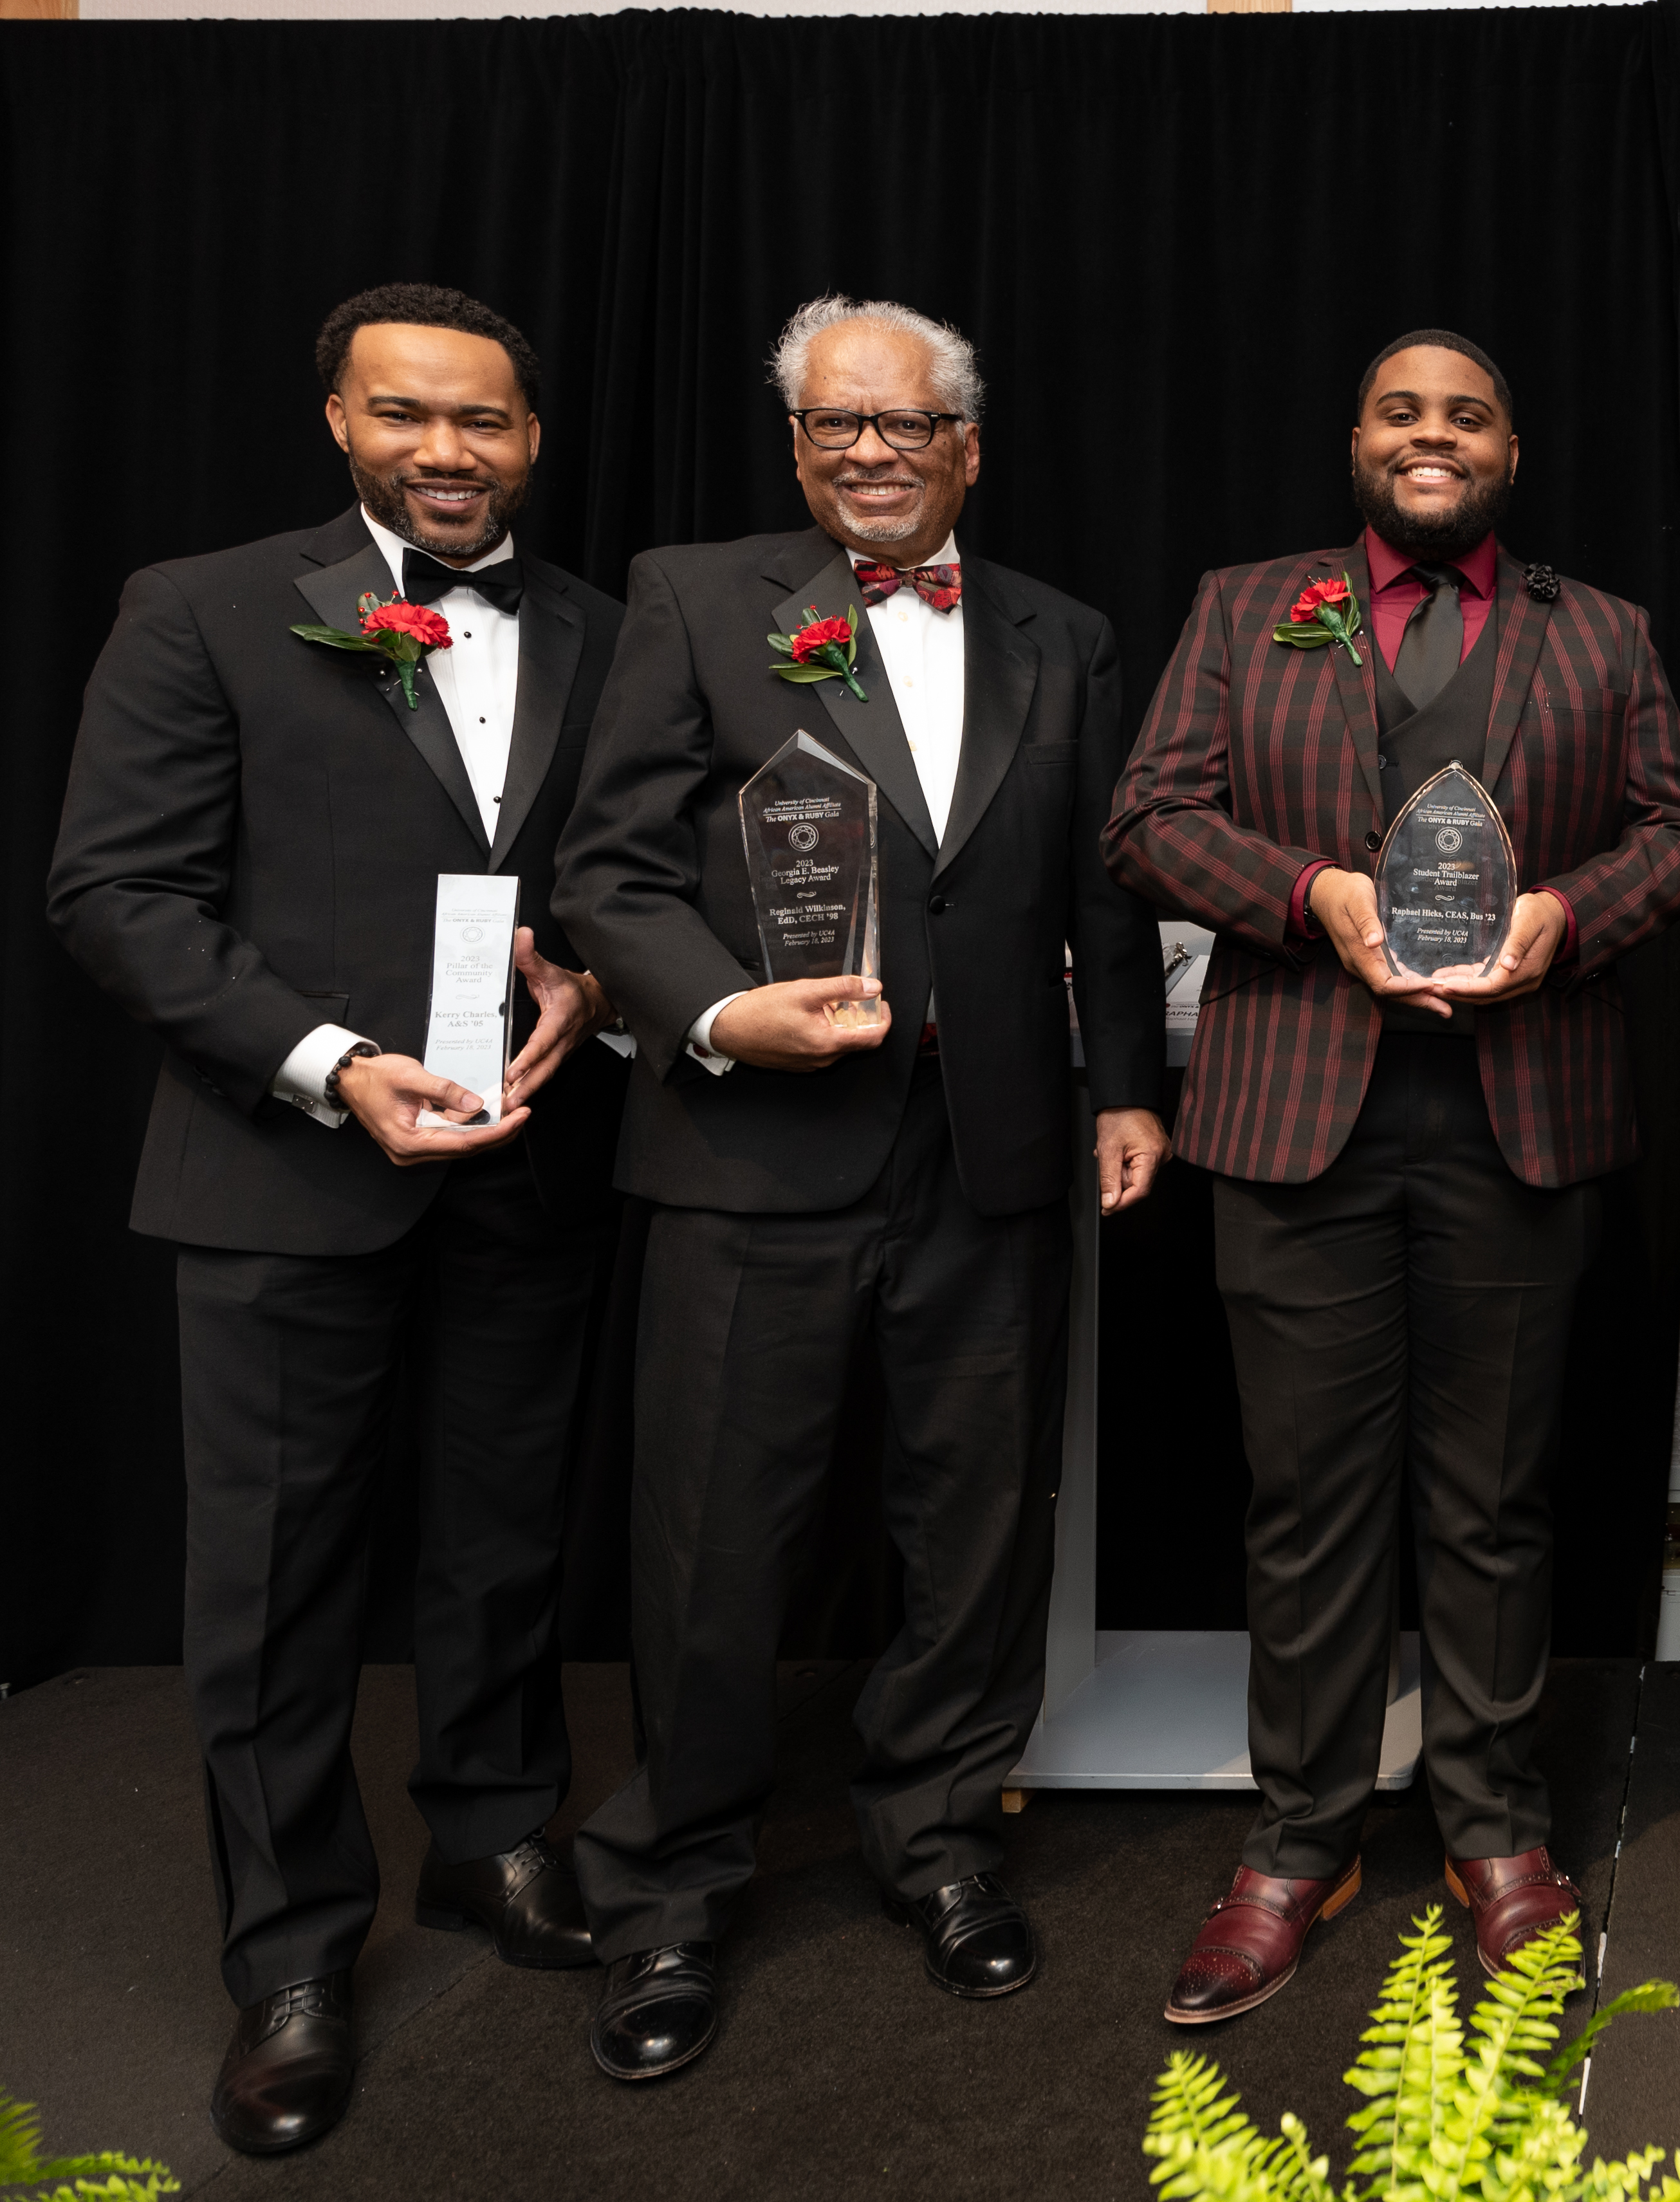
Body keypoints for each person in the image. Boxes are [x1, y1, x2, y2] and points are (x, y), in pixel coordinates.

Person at [553, 294, 1169, 2084]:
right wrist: (722, 1011)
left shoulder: (1063, 634)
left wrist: (1122, 1092)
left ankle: (941, 1838)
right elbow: (608, 868)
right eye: (835, 427)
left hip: (989, 1152)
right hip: (751, 1147)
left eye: (902, 427)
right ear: (798, 445)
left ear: (966, 447)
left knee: (973, 1524)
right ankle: (670, 1891)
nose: (869, 454)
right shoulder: (695, 598)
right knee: (709, 1543)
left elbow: (1097, 894)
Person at [47, 284, 629, 2156]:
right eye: (406, 415)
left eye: (483, 421)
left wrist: (597, 988)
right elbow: (117, 893)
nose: (446, 451)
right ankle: (290, 1953)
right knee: (277, 1586)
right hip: (287, 1166)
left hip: (526, 1164)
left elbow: (623, 880)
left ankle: (488, 1836)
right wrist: (329, 1061)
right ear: (339, 423)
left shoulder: (610, 635)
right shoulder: (203, 606)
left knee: (501, 1537)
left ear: (533, 437)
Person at [1107, 329, 1680, 2024]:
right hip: (1296, 1116)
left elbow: (1670, 829)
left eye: (1467, 415)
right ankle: (1297, 1838)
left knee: (1494, 1496)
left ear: (1509, 450)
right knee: (1302, 1502)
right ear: (1355, 439)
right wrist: (1312, 896)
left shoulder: (1601, 632)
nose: (1432, 435)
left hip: (1517, 1120)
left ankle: (1494, 1822)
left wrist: (1564, 916)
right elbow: (1148, 816)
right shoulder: (1245, 606)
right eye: (1400, 411)